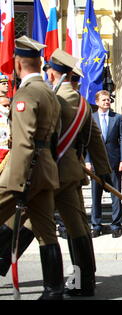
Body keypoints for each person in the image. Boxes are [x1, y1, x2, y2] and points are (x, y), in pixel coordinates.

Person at [0, 49, 112, 297]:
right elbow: (95, 139)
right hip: (69, 172)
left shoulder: (54, 98)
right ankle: (84, 282)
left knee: (30, 220)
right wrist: (104, 171)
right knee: (75, 226)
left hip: (45, 169)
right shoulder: (84, 104)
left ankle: (6, 263)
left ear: (54, 72)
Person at [0, 36, 63, 300]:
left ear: (17, 63)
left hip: (25, 171)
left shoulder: (26, 94)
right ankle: (54, 289)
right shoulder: (50, 92)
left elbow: (24, 143)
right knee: (46, 231)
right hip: (46, 170)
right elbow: (55, 137)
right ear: (39, 63)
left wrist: (17, 182)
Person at [86, 90, 122, 239]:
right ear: (97, 102)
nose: (107, 102)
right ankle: (96, 226)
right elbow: (87, 142)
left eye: (108, 99)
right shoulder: (90, 118)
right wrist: (87, 161)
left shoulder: (117, 118)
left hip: (114, 162)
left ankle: (116, 226)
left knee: (116, 195)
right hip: (96, 164)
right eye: (103, 100)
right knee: (95, 196)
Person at [0, 97, 11, 166]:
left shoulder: (13, 118)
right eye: (4, 105)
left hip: (10, 153)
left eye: (9, 105)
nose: (7, 108)